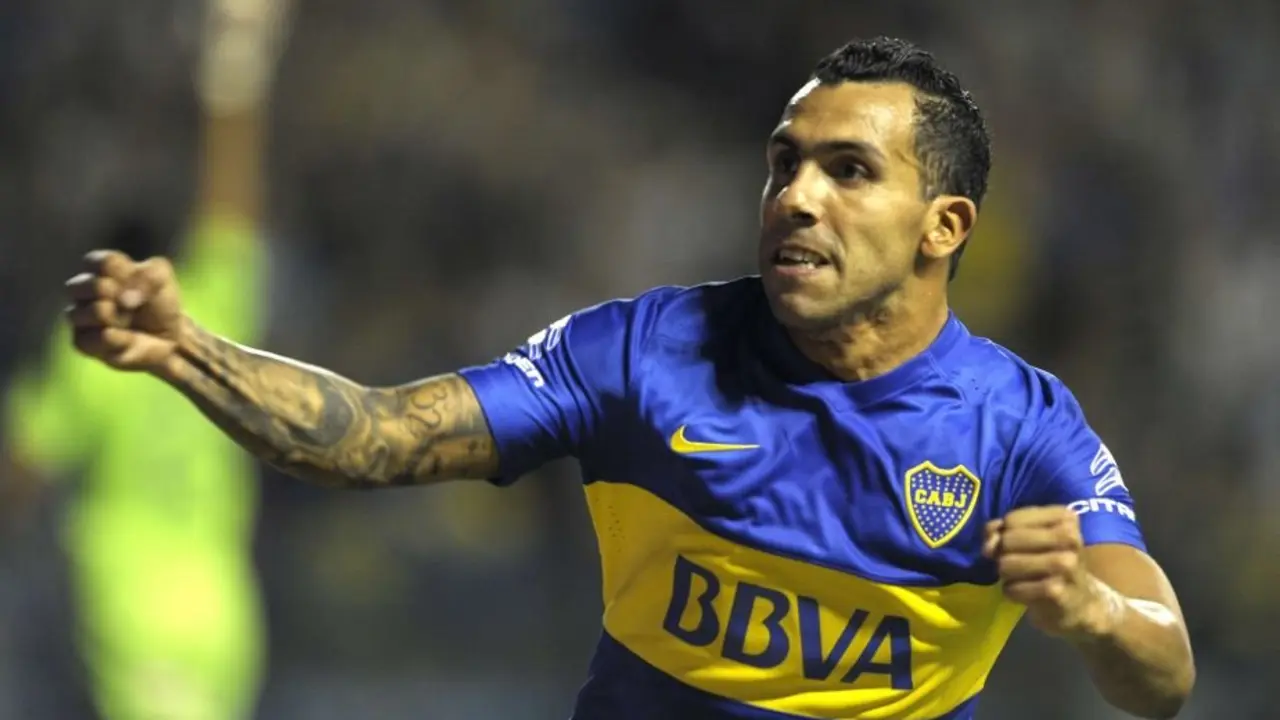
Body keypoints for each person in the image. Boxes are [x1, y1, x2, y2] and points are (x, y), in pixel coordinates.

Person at [61, 37, 1194, 720]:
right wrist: (183, 350)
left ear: (943, 226)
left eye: (848, 172)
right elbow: (379, 434)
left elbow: (1164, 673)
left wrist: (1088, 610)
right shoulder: (642, 355)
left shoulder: (1018, 427)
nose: (796, 197)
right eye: (783, 164)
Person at [6, 1, 290, 718]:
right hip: (226, 604)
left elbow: (21, 472)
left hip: (134, 609)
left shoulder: (90, 356)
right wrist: (237, 61)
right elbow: (232, 205)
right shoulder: (213, 309)